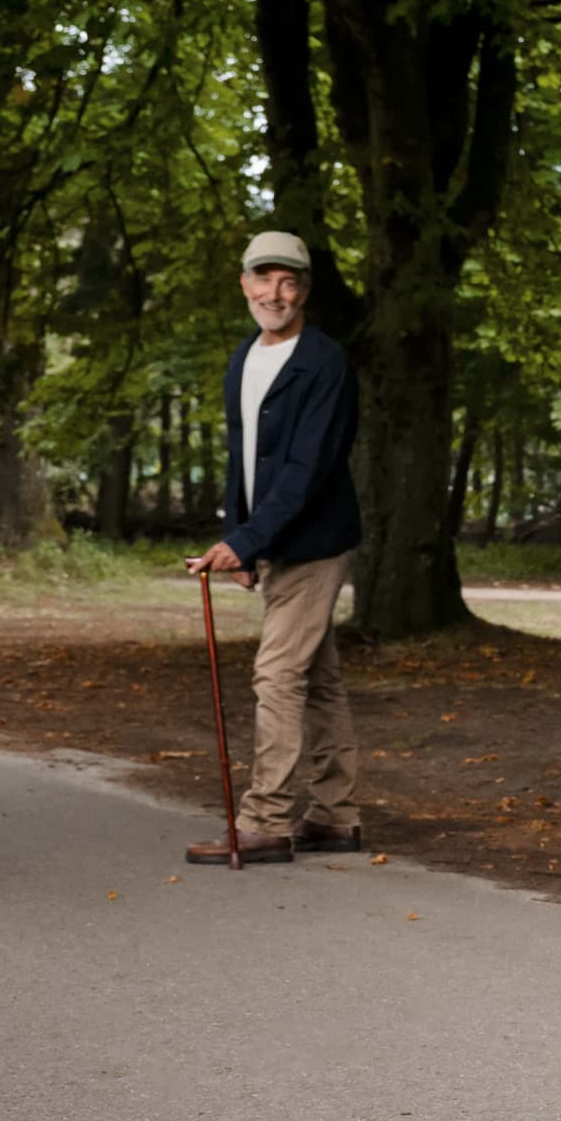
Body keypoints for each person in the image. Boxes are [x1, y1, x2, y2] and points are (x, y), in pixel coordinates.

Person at [185, 231, 367, 864]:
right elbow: (244, 457)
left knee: (278, 675)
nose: (274, 293)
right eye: (263, 279)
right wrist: (243, 538)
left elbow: (306, 470)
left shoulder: (325, 363)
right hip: (275, 541)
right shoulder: (245, 357)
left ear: (304, 291)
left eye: (288, 282)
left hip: (315, 543)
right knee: (317, 680)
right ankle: (336, 816)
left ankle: (266, 821)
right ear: (245, 284)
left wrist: (246, 540)